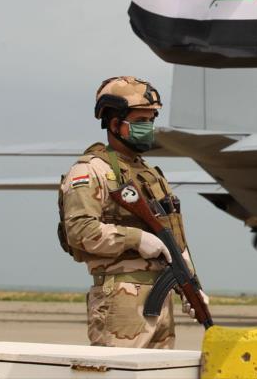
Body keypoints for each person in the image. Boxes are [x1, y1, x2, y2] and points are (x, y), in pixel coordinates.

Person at [57, 76, 207, 348]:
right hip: (120, 299)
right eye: (140, 122)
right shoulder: (91, 170)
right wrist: (136, 239)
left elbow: (173, 235)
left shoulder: (150, 175)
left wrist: (191, 282)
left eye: (151, 120)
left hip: (160, 298)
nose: (148, 128)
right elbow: (79, 230)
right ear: (115, 124)